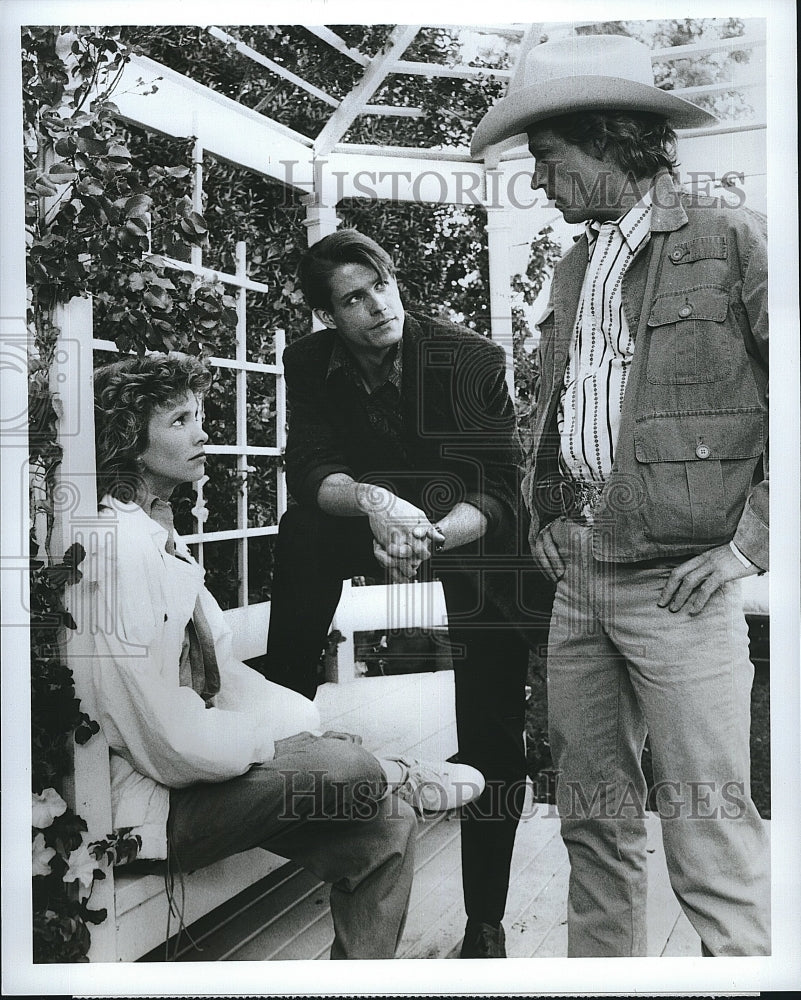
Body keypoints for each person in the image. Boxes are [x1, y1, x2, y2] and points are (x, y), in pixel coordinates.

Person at [472, 33, 770, 957]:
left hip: (684, 586)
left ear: (607, 140)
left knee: (708, 832)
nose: (542, 184)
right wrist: (548, 511)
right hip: (580, 586)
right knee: (591, 825)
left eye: (549, 162)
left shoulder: (730, 241)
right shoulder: (574, 267)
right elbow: (565, 410)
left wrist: (746, 543)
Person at [80, 352, 485, 961]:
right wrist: (278, 748)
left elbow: (219, 674)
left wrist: (302, 728)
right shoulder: (113, 552)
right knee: (349, 771)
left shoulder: (156, 534)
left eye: (200, 415)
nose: (203, 431)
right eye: (180, 420)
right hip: (151, 808)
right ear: (130, 441)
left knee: (383, 826)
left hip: (197, 775)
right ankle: (391, 766)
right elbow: (161, 737)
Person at [261, 229, 554, 958]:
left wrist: (427, 534)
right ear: (328, 316)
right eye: (352, 299)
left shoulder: (470, 358)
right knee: (301, 530)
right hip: (372, 515)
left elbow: (497, 490)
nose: (375, 306)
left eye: (380, 286)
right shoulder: (308, 360)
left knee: (491, 727)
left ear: (395, 281)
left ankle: (483, 922)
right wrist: (374, 505)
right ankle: (281, 714)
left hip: (467, 530)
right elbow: (310, 469)